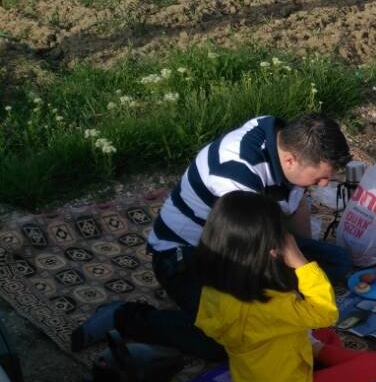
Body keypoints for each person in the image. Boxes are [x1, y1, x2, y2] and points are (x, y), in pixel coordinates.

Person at [71, 113, 352, 360]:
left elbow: (294, 207)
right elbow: (247, 257)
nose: (324, 185)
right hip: (186, 254)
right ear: (290, 160)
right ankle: (126, 317)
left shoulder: (284, 140)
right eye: (319, 179)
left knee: (339, 262)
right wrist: (293, 294)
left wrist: (301, 260)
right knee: (226, 339)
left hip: (250, 240)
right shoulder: (237, 177)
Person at [193, 191, 376, 382]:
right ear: (270, 249)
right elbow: (327, 313)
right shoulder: (272, 303)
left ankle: (321, 360)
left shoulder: (213, 290)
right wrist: (301, 263)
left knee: (324, 334)